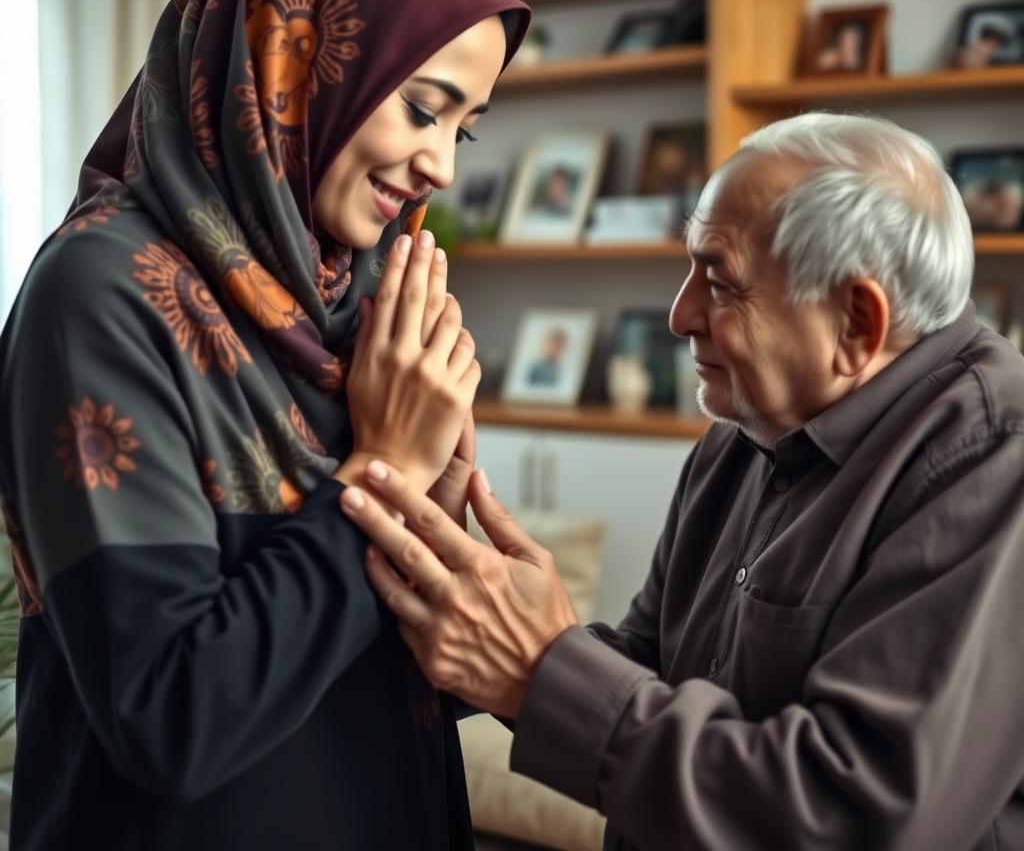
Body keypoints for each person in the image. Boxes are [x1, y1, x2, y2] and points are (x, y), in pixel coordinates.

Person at [0, 0, 529, 851]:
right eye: (422, 108)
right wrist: (384, 475)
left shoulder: (356, 300)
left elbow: (372, 674)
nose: (442, 167)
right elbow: (170, 717)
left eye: (464, 127)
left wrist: (448, 534)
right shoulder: (104, 293)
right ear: (292, 57)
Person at [340, 112, 1024, 850]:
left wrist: (541, 670)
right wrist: (464, 600)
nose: (678, 315)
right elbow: (656, 667)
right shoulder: (746, 427)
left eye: (720, 282)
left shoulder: (993, 457)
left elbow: (858, 814)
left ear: (856, 321)